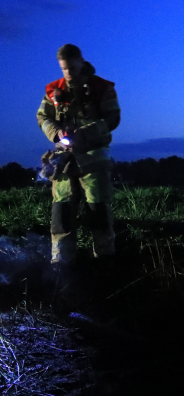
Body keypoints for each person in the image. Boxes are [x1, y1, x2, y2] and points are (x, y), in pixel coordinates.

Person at [37, 44, 121, 265]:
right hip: (63, 162)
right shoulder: (53, 90)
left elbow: (112, 119)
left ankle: (105, 264)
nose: (68, 73)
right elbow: (43, 117)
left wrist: (84, 133)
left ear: (81, 62)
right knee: (61, 213)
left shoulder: (102, 87)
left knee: (98, 211)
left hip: (93, 159)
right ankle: (61, 267)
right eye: (64, 69)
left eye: (72, 67)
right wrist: (56, 134)